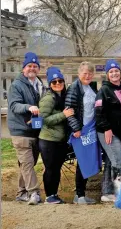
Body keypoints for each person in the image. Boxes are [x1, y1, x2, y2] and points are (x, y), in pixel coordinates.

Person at [7, 52, 46, 205]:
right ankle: (34, 192)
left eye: (35, 66)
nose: (32, 69)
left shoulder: (39, 84)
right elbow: (14, 105)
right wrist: (29, 107)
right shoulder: (16, 85)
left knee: (27, 163)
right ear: (24, 68)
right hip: (20, 130)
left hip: (35, 130)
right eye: (29, 66)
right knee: (28, 163)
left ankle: (21, 192)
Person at [95, 60, 121, 202]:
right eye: (111, 72)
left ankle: (106, 192)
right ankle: (118, 192)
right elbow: (98, 112)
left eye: (116, 71)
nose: (114, 73)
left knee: (111, 160)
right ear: (108, 75)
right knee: (117, 161)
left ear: (120, 73)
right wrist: (106, 128)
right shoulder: (104, 90)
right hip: (108, 131)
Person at [38, 67, 74, 204]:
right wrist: (63, 115)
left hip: (59, 140)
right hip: (48, 140)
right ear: (50, 84)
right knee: (51, 168)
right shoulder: (48, 99)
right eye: (54, 82)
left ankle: (54, 194)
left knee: (56, 168)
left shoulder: (62, 97)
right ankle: (49, 196)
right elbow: (44, 119)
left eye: (60, 81)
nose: (58, 83)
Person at [65, 62, 98, 204]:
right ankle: (79, 196)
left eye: (90, 73)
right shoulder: (74, 88)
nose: (88, 75)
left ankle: (82, 195)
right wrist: (76, 129)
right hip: (80, 130)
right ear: (79, 74)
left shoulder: (91, 87)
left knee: (88, 160)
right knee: (82, 162)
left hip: (90, 129)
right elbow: (69, 111)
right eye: (85, 73)